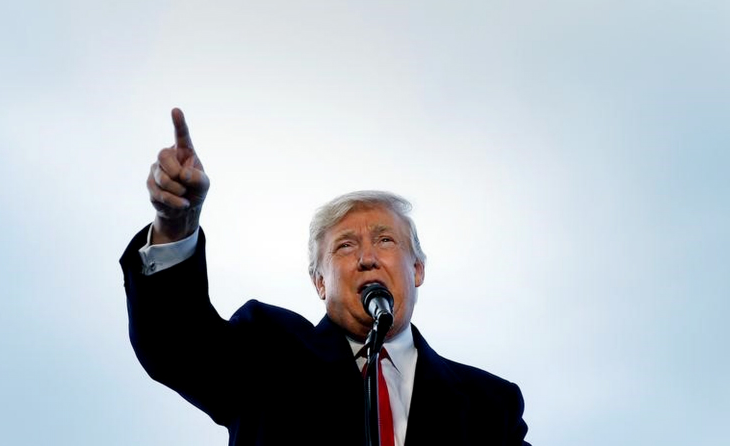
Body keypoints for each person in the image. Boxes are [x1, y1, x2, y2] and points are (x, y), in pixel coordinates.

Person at [120, 108, 531, 446]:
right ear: (319, 282)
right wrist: (176, 224)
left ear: (418, 269)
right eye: (346, 246)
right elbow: (175, 346)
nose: (368, 257)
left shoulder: (490, 403)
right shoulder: (267, 352)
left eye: (385, 240)